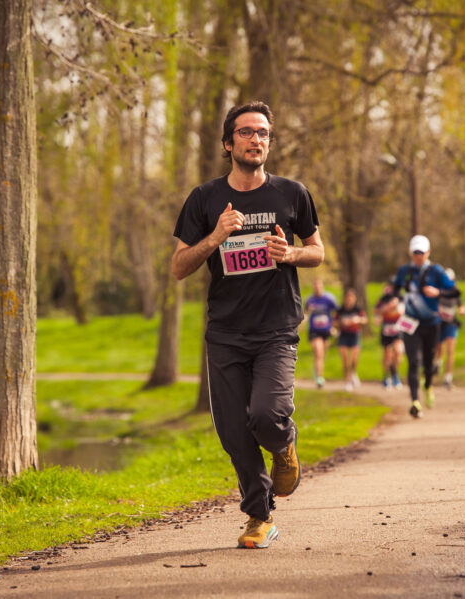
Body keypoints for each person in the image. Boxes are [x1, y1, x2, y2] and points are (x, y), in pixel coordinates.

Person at [171, 101, 324, 549]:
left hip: (276, 328)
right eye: (246, 132)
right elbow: (179, 267)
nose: (256, 139)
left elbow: (317, 250)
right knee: (234, 432)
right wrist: (216, 236)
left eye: (263, 133)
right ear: (228, 143)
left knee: (266, 415)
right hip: (225, 332)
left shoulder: (292, 193)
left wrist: (292, 254)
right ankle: (260, 517)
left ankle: (284, 445)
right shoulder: (204, 199)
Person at [393, 235, 454, 418]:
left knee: (428, 363)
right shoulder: (405, 271)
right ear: (410, 253)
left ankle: (427, 385)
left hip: (431, 323)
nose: (419, 256)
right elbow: (395, 288)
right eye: (415, 252)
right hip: (411, 324)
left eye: (422, 252)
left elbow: (454, 290)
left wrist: (438, 292)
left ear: (429, 252)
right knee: (413, 362)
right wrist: (396, 301)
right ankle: (414, 401)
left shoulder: (436, 271)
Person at [435, 268, 465, 389]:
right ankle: (438, 362)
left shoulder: (455, 292)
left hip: (451, 324)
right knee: (439, 348)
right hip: (439, 323)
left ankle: (448, 378)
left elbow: (462, 305)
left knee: (450, 350)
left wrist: (462, 310)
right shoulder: (439, 291)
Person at [304, 279, 337, 388]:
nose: (317, 288)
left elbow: (336, 313)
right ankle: (320, 378)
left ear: (322, 286)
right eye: (315, 286)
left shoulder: (329, 299)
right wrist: (303, 322)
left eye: (319, 286)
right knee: (318, 352)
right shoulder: (309, 300)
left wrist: (333, 327)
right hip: (314, 331)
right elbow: (305, 314)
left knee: (322, 355)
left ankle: (317, 370)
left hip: (326, 330)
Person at [373, 280, 404, 390]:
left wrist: (392, 309)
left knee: (397, 352)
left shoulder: (401, 298)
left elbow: (401, 312)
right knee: (387, 355)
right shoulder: (382, 300)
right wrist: (388, 307)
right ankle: (386, 377)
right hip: (386, 330)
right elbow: (376, 312)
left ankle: (395, 374)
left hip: (397, 330)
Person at [335, 288, 367, 391]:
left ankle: (353, 373)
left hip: (354, 335)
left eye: (351, 298)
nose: (349, 300)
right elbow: (334, 322)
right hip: (343, 335)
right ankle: (347, 381)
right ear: (345, 299)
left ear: (355, 299)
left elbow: (365, 319)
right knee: (345, 359)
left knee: (353, 359)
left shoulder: (357, 309)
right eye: (347, 298)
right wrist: (342, 322)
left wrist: (357, 320)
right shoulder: (341, 310)